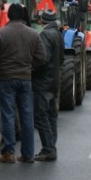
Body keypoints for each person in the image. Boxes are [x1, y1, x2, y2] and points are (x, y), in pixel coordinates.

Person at [0, 3, 46, 164]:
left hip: (6, 80)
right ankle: (28, 154)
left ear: (9, 15)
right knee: (27, 117)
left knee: (8, 115)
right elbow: (41, 57)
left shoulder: (0, 34)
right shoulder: (33, 34)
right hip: (26, 80)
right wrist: (30, 68)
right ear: (24, 16)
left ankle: (9, 152)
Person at [32, 9, 64, 161]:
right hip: (54, 80)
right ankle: (52, 146)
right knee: (51, 115)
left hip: (43, 81)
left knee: (41, 115)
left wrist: (31, 69)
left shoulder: (45, 35)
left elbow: (42, 59)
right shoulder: (58, 34)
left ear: (42, 21)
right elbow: (61, 58)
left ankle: (48, 148)